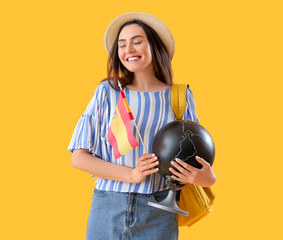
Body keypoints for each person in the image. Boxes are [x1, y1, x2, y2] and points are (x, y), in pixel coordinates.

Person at [68, 12, 216, 240]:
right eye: (122, 44)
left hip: (160, 211)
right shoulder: (108, 92)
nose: (129, 50)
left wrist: (206, 177)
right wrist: (131, 174)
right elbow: (78, 158)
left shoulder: (180, 96)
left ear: (154, 46)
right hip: (107, 207)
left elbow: (200, 162)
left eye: (137, 41)